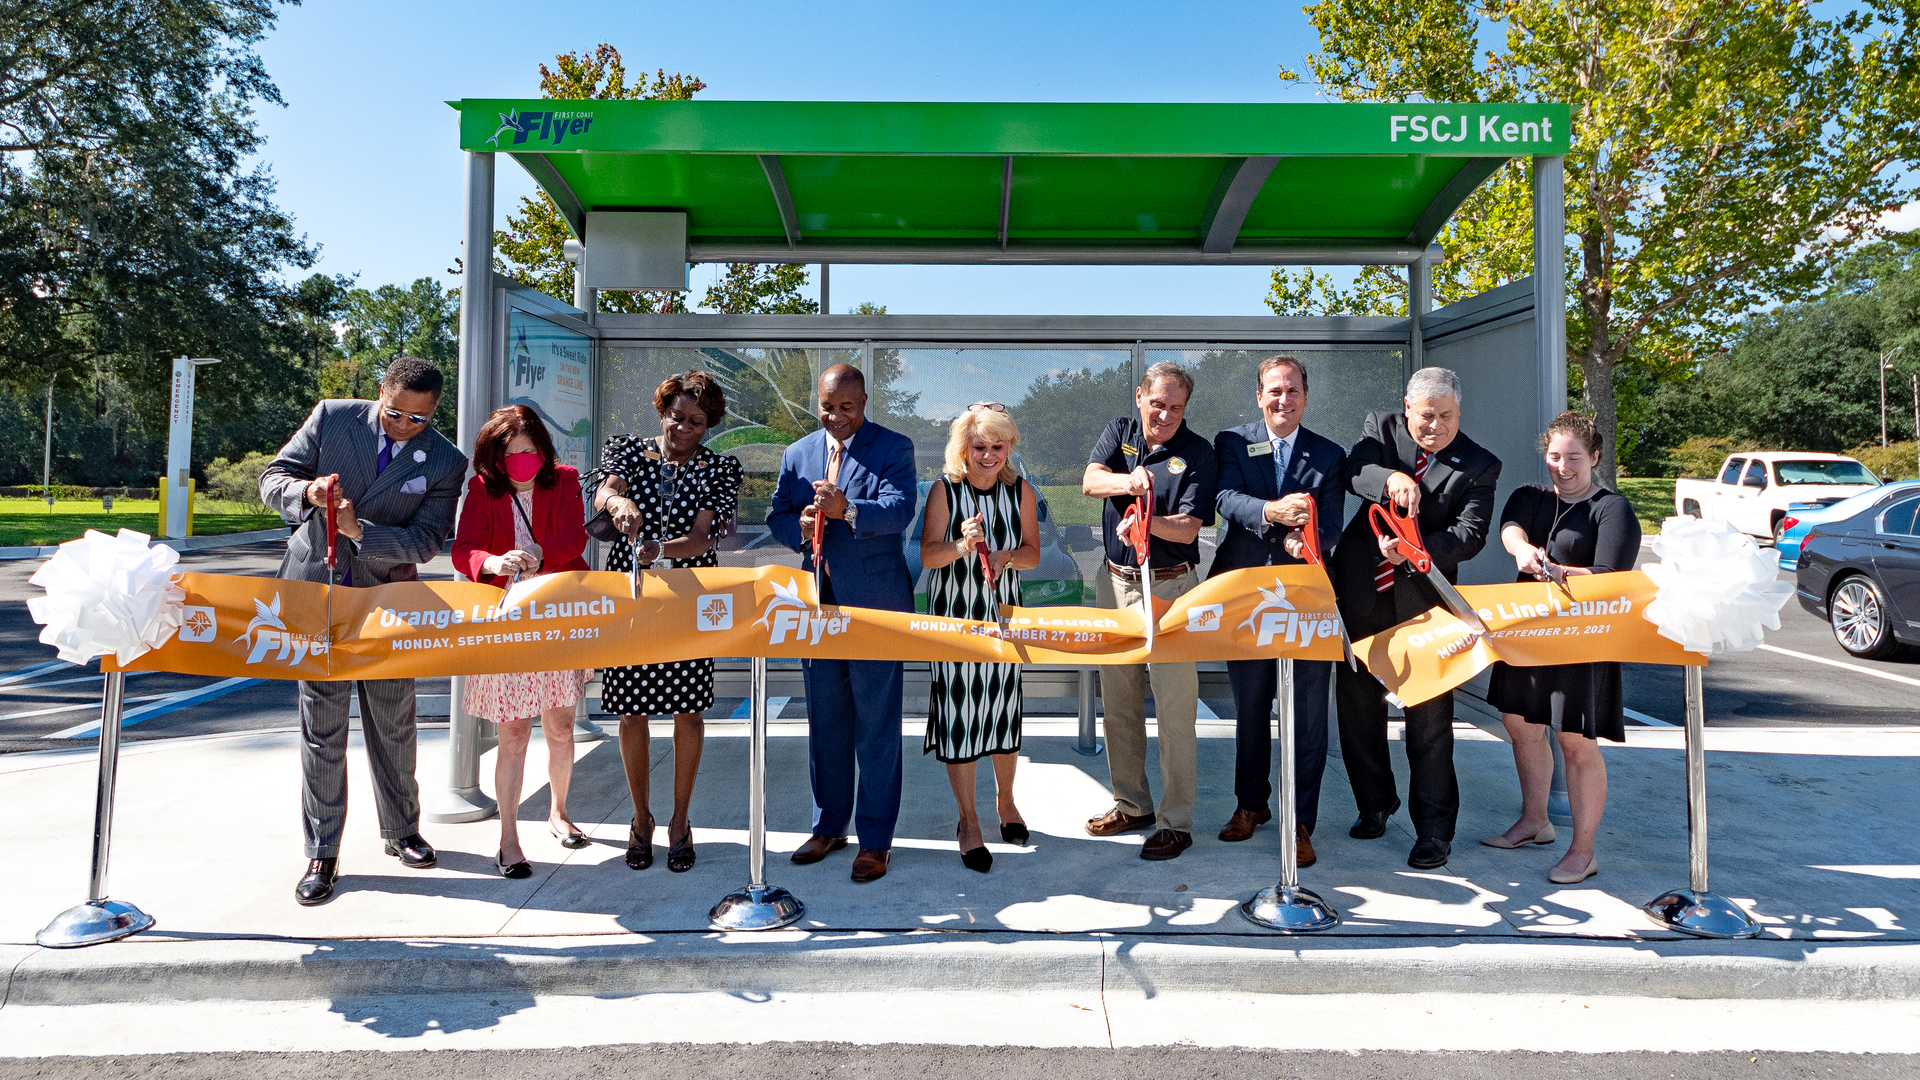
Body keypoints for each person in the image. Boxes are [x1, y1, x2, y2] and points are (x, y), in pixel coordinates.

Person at [259, 356, 468, 906]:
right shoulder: (332, 418)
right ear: (381, 394)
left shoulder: (447, 461)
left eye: (419, 420)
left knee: (394, 721)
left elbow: (426, 540)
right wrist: (307, 496)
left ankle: (402, 831)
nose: (405, 426)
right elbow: (273, 477)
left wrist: (360, 529)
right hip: (316, 591)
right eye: (396, 413)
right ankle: (322, 851)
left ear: (435, 412)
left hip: (387, 600)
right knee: (322, 724)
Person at [1331, 366, 1501, 870]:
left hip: (1424, 605)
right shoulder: (1380, 430)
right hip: (1362, 597)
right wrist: (1394, 479)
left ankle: (1434, 832)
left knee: (1428, 723)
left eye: (1447, 416)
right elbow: (1356, 473)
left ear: (1458, 412)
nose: (1436, 426)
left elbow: (1470, 536)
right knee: (1358, 714)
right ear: (1408, 409)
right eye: (1427, 416)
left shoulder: (1478, 464)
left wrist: (1414, 550)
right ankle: (1375, 804)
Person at [587, 371, 743, 874]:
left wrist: (658, 549)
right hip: (629, 594)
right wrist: (619, 502)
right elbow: (603, 494)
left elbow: (704, 537)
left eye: (696, 422)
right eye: (676, 417)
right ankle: (640, 820)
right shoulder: (628, 450)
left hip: (686, 595)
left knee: (688, 712)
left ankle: (680, 822)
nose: (683, 428)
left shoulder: (719, 467)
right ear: (662, 410)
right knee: (631, 712)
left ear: (709, 425)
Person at [767, 364, 917, 883]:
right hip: (817, 605)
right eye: (827, 408)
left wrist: (847, 509)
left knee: (876, 726)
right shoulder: (798, 452)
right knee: (826, 723)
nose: (835, 418)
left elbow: (900, 512)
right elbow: (777, 515)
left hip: (875, 606)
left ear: (865, 401)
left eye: (847, 408)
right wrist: (800, 525)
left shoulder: (894, 447)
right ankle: (829, 826)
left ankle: (875, 841)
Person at [1482, 411, 1639, 883]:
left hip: (1581, 640)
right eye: (1554, 456)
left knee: (1575, 742)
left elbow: (1614, 577)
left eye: (1574, 457)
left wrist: (1563, 573)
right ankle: (1535, 822)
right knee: (1520, 724)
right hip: (1529, 631)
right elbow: (1511, 528)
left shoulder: (1613, 509)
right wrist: (1521, 551)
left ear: (1594, 457)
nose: (1563, 466)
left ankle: (1583, 850)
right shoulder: (1531, 496)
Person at [1209, 355, 1346, 865]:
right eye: (1273, 391)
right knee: (1250, 705)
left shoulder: (1330, 455)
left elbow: (1331, 524)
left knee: (1309, 714)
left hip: (1306, 598)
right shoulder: (1233, 441)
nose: (1282, 399)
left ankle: (1301, 822)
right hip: (1246, 593)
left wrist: (1304, 539)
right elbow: (1224, 498)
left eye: (1291, 391)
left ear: (1305, 397)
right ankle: (1251, 806)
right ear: (1259, 396)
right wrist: (1269, 512)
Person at [1081, 361, 1217, 861]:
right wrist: (1130, 483)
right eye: (1156, 403)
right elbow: (1092, 481)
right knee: (1118, 701)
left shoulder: (1199, 451)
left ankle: (1175, 821)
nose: (1164, 414)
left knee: (1175, 707)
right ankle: (1132, 803)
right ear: (1140, 396)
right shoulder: (1119, 434)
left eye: (1175, 407)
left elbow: (1187, 528)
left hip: (1171, 587)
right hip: (1114, 584)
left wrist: (1145, 522)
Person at [451, 405, 592, 879]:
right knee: (512, 731)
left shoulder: (565, 479)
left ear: (543, 450)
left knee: (561, 725)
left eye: (529, 451)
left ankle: (560, 810)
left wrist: (539, 551)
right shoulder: (482, 487)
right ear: (494, 455)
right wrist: (493, 562)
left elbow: (576, 536)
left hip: (555, 616)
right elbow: (464, 548)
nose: (522, 460)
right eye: (511, 453)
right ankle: (508, 838)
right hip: (503, 621)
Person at [918, 403, 1040, 872]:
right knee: (962, 714)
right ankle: (968, 821)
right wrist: (964, 546)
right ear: (962, 449)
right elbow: (928, 558)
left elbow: (1031, 554)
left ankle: (1005, 803)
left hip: (1004, 620)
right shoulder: (944, 491)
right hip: (955, 621)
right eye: (979, 446)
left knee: (1004, 712)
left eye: (997, 446)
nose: (989, 455)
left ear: (1009, 447)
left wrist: (1003, 556)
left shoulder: (1020, 490)